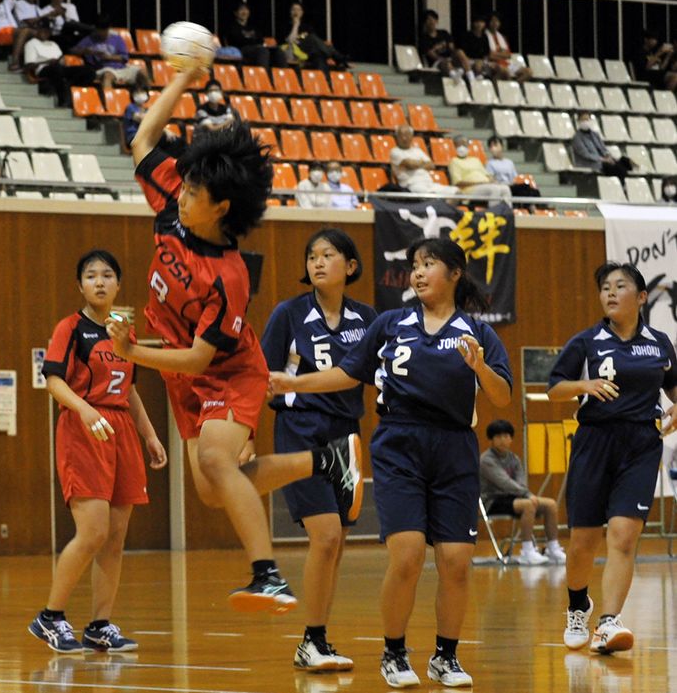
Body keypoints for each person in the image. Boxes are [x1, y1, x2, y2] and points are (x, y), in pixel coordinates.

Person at [105, 64, 364, 615]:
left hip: (228, 371)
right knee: (209, 488)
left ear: (221, 206)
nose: (183, 195)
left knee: (218, 465)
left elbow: (202, 355)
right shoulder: (174, 205)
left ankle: (266, 574)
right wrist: (183, 78)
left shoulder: (229, 276)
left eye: (195, 191)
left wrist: (131, 353)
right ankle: (326, 462)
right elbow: (144, 139)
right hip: (182, 376)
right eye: (187, 185)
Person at [270, 237, 513, 688]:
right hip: (400, 443)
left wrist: (480, 368)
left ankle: (446, 656)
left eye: (429, 264)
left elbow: (501, 397)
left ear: (455, 274)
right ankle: (394, 652)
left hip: (455, 447)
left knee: (457, 560)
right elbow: (347, 373)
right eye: (414, 265)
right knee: (406, 556)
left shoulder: (479, 333)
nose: (418, 273)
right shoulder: (389, 324)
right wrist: (294, 382)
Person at [28, 249, 167, 654]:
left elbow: (132, 388)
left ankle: (99, 626)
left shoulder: (124, 332)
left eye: (108, 275)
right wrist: (86, 411)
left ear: (119, 284)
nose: (100, 282)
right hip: (83, 427)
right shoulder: (69, 328)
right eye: (91, 276)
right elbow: (53, 381)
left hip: (121, 428)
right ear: (80, 285)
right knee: (93, 532)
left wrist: (150, 435)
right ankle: (50, 617)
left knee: (116, 537)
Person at [261, 229, 377, 672]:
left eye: (329, 255)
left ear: (350, 266)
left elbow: (381, 373)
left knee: (337, 543)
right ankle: (310, 641)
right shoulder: (289, 313)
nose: (318, 262)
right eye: (312, 256)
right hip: (299, 429)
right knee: (326, 535)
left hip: (346, 435)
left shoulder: (367, 317)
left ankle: (319, 639)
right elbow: (263, 375)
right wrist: (247, 433)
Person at [548, 262, 677, 655]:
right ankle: (577, 606)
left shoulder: (659, 343)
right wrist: (583, 385)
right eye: (605, 287)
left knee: (624, 535)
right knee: (583, 542)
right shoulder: (586, 342)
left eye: (620, 286)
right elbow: (555, 388)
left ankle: (608, 623)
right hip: (593, 443)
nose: (610, 292)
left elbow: (673, 388)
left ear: (640, 297)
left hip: (640, 443)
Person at [479, 419, 566, 565]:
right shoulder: (486, 460)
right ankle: (527, 550)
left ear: (511, 439)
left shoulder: (514, 458)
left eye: (506, 436)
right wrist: (527, 495)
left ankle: (553, 547)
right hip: (493, 501)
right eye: (498, 436)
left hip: (515, 498)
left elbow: (521, 481)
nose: (502, 440)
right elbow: (504, 483)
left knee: (550, 504)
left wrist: (526, 494)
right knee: (528, 505)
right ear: (491, 439)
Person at [24, 20, 95, 105]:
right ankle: (63, 99)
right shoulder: (31, 43)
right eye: (42, 30)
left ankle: (71, 89)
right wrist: (48, 61)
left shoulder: (53, 44)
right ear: (37, 30)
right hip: (44, 69)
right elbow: (29, 66)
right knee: (56, 69)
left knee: (89, 71)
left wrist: (62, 60)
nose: (45, 33)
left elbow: (61, 59)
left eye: (47, 31)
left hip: (59, 68)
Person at [74, 15, 147, 91]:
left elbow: (124, 57)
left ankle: (145, 98)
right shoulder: (89, 39)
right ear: (96, 29)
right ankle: (109, 101)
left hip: (121, 68)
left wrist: (109, 57)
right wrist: (88, 51)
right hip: (104, 69)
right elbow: (73, 50)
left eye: (105, 30)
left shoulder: (117, 39)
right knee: (107, 76)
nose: (102, 33)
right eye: (100, 30)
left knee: (142, 72)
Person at [390, 124, 459, 196]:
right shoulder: (395, 152)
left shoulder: (417, 150)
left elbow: (431, 165)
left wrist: (416, 163)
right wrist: (422, 163)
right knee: (432, 196)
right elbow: (410, 164)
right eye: (401, 135)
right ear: (397, 137)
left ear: (412, 136)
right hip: (411, 185)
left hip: (429, 183)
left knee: (457, 192)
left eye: (407, 135)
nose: (404, 138)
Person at [282, 2, 348, 74]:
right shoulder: (286, 26)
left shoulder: (307, 27)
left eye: (298, 10)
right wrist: (295, 25)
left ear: (302, 12)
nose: (296, 12)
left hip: (309, 51)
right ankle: (338, 57)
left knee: (319, 57)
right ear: (290, 12)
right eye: (293, 9)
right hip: (295, 50)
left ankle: (324, 81)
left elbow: (316, 43)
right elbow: (290, 41)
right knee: (313, 39)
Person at [448, 135, 511, 205]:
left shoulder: (475, 160)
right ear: (455, 146)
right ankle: (493, 214)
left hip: (485, 185)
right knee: (494, 189)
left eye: (464, 144)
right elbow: (458, 183)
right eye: (459, 144)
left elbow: (487, 175)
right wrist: (480, 183)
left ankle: (507, 213)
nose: (462, 146)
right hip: (469, 190)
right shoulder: (454, 161)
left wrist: (492, 181)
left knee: (505, 188)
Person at [572, 112, 633, 183]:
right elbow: (586, 154)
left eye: (587, 119)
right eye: (583, 119)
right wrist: (602, 159)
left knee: (624, 162)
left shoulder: (595, 134)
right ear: (579, 121)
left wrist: (608, 156)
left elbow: (603, 148)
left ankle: (626, 184)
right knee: (615, 168)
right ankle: (623, 185)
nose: (585, 122)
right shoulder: (577, 138)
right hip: (589, 162)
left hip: (603, 160)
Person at [223, 2, 287, 69]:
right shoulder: (232, 27)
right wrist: (253, 42)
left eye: (246, 10)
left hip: (256, 49)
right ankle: (263, 76)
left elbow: (261, 40)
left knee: (277, 51)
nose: (244, 12)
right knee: (262, 51)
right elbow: (237, 41)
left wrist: (253, 42)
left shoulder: (253, 27)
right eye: (241, 9)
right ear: (236, 13)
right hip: (241, 50)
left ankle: (284, 77)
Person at [419, 9, 473, 83]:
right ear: (425, 23)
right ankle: (455, 77)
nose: (431, 22)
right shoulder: (424, 38)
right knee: (446, 63)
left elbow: (452, 48)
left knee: (459, 52)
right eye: (428, 20)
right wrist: (437, 50)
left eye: (433, 19)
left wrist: (453, 55)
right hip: (437, 63)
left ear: (436, 21)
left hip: (449, 58)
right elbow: (431, 55)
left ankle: (471, 78)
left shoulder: (444, 33)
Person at [485, 136, 541, 202]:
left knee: (533, 190)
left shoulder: (509, 162)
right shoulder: (490, 163)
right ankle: (532, 208)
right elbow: (491, 180)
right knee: (523, 190)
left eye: (495, 145)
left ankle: (541, 208)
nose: (493, 149)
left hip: (513, 186)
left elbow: (515, 178)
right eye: (491, 147)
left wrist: (514, 183)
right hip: (503, 188)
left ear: (502, 146)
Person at [485, 12, 531, 82]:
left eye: (497, 21)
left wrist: (496, 54)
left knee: (528, 72)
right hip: (491, 64)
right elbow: (489, 55)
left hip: (506, 63)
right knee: (505, 71)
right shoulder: (484, 36)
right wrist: (502, 54)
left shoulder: (502, 37)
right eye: (493, 21)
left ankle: (515, 86)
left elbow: (508, 55)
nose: (495, 23)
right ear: (488, 22)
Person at [457, 15, 497, 80]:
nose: (479, 24)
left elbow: (486, 53)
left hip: (481, 60)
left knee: (479, 64)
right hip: (468, 60)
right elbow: (462, 51)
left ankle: (479, 78)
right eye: (477, 22)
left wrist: (483, 61)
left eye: (481, 22)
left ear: (484, 24)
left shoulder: (485, 37)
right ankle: (472, 77)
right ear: (473, 23)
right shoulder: (467, 35)